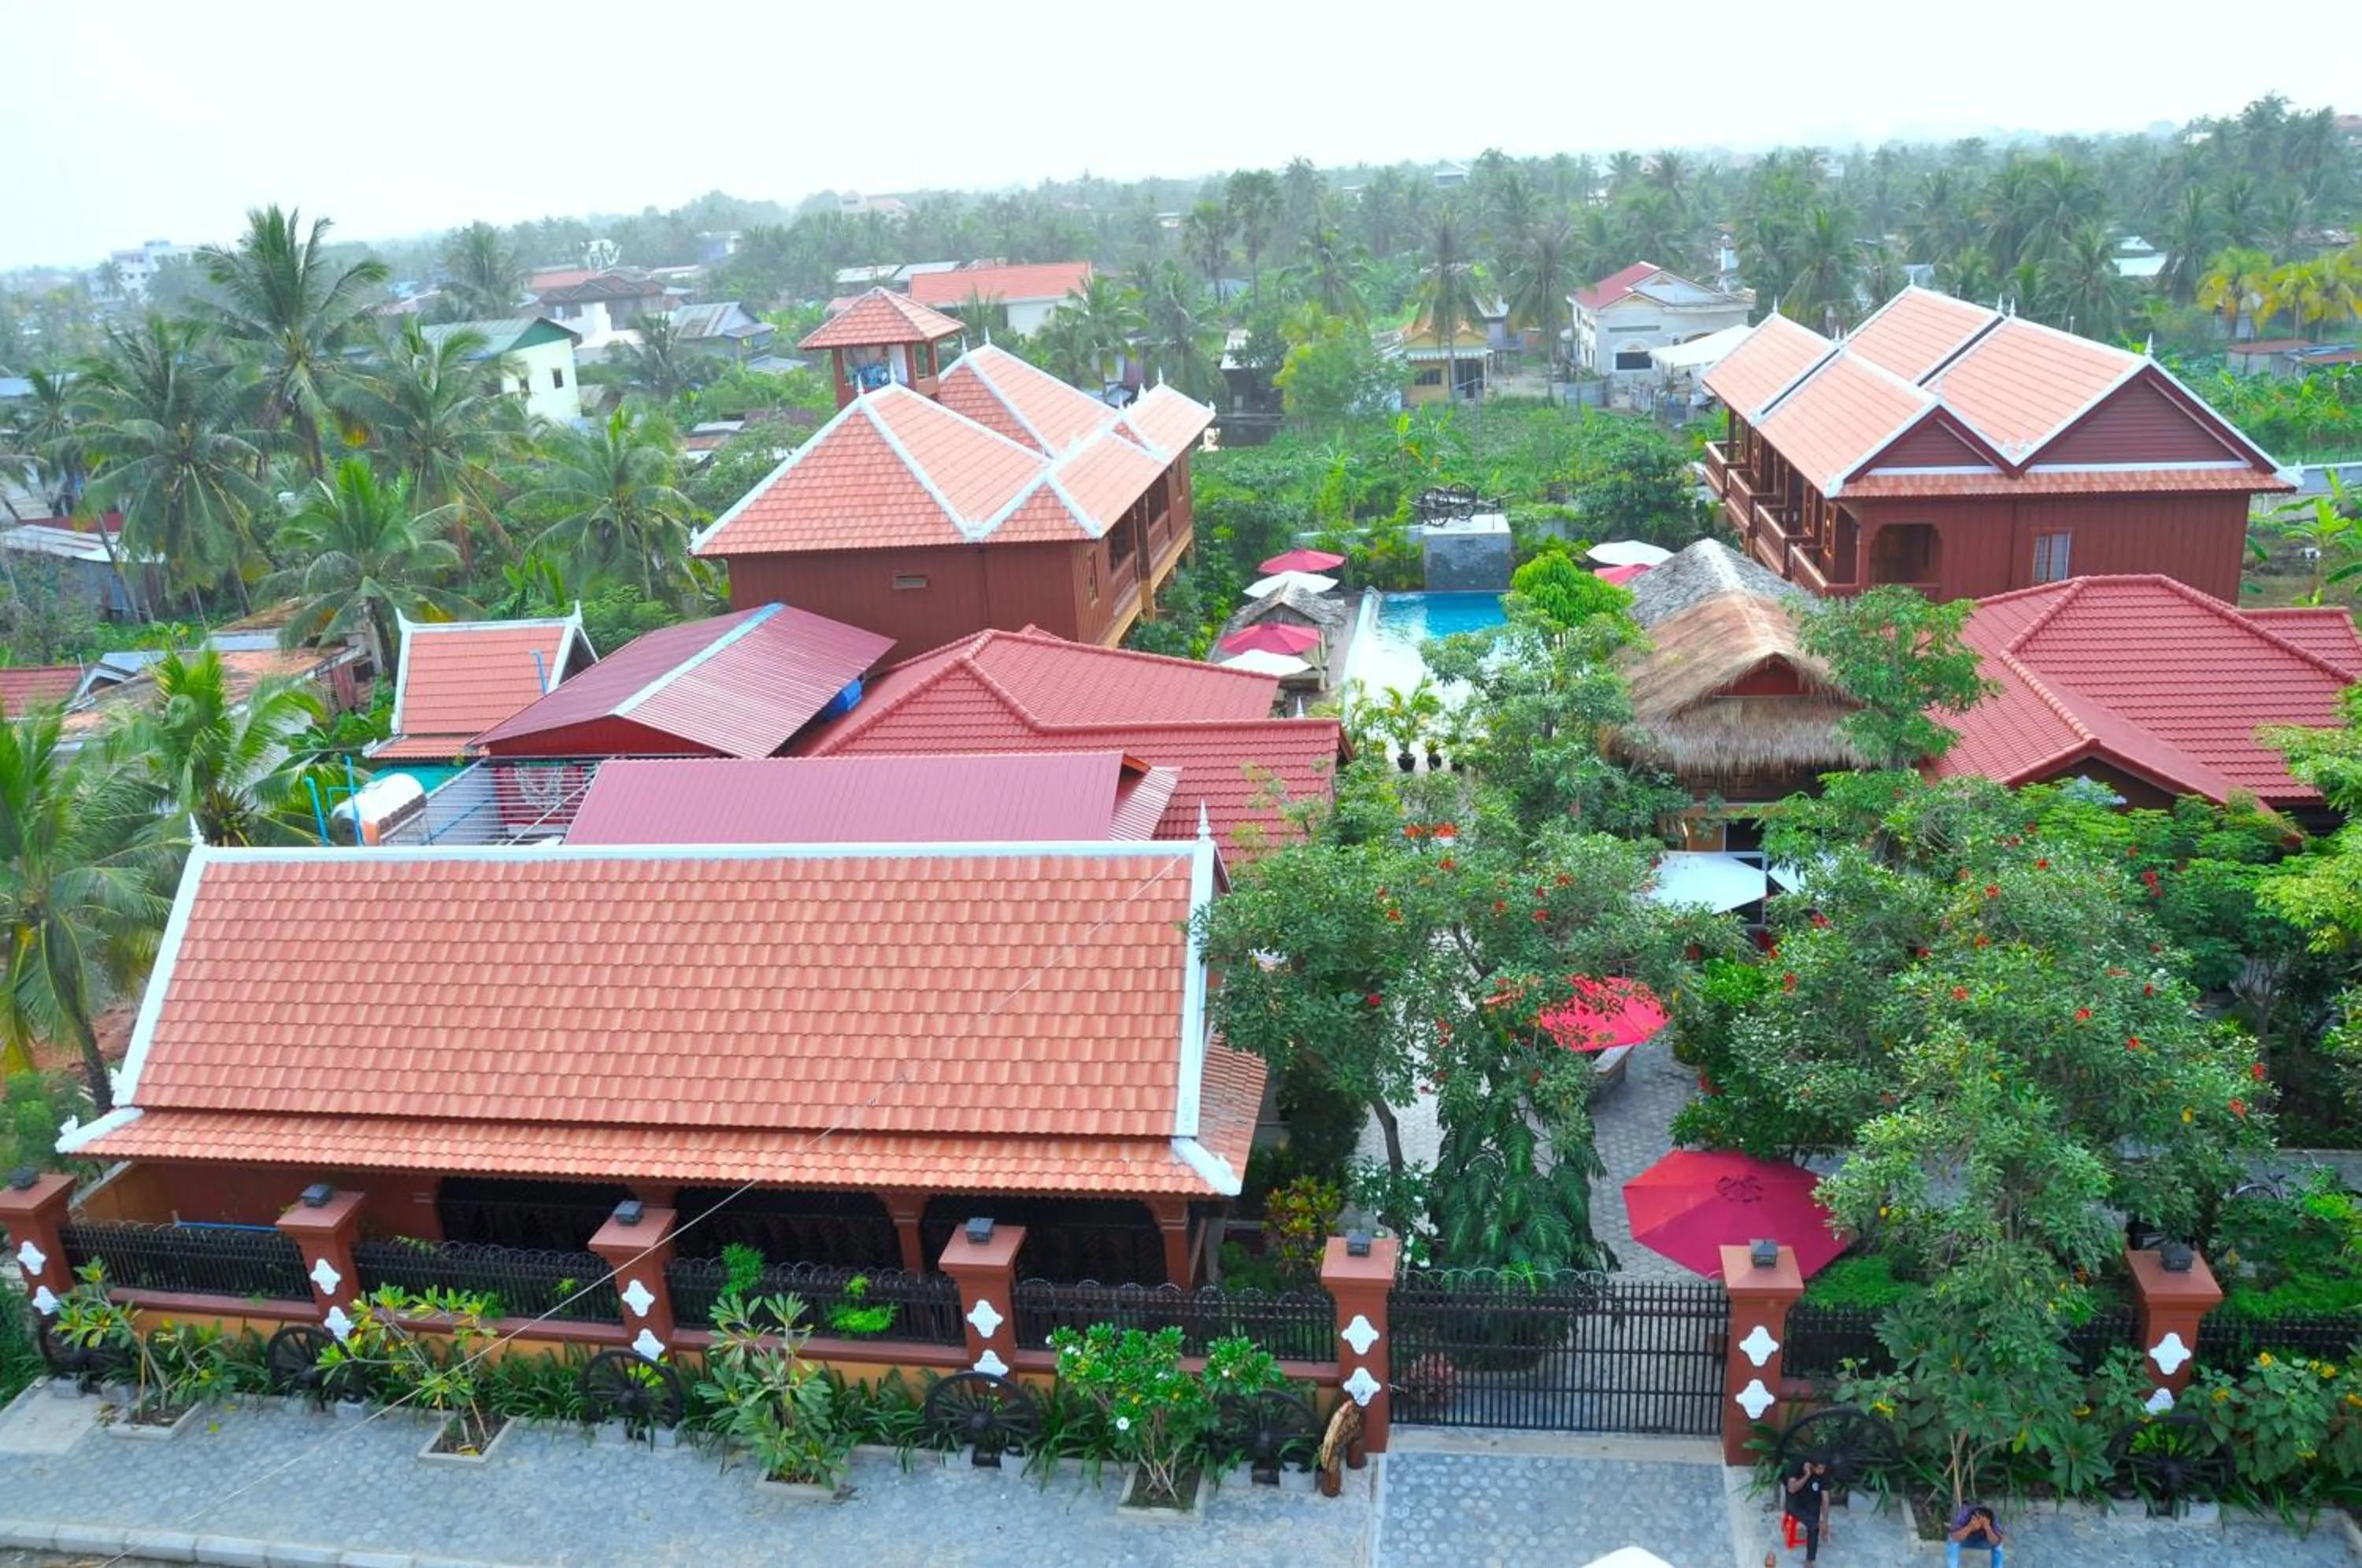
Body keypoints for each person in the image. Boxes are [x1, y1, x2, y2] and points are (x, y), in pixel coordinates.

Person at [1783, 1458, 1831, 1562]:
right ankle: (1817, 1525)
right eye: (1819, 1468)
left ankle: (1809, 1560)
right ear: (1812, 1465)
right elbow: (1792, 1489)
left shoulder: (1824, 1474)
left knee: (1814, 1526)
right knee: (1814, 1524)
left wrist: (1826, 1522)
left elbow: (1825, 1499)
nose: (1821, 1471)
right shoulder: (1797, 1466)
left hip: (1811, 1503)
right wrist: (1807, 1476)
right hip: (1795, 1503)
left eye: (1823, 1468)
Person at [1946, 1501, 2005, 1565]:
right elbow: (1954, 1537)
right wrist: (1970, 1527)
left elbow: (1996, 1542)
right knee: (1952, 1540)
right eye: (1978, 1517)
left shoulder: (1992, 1517)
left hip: (1983, 1542)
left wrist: (1987, 1527)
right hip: (1966, 1540)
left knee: (1999, 1546)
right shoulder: (1965, 1514)